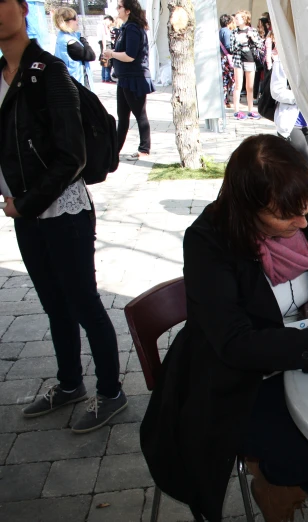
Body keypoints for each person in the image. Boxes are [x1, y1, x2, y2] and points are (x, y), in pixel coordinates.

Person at [140, 135, 308, 522]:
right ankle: (276, 491)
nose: (302, 222)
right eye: (287, 218)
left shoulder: (295, 207)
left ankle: (280, 485)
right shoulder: (207, 242)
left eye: (304, 210)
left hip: (293, 359)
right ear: (248, 209)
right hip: (231, 384)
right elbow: (235, 344)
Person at [0, 0, 126, 433]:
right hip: (25, 211)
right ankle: (70, 383)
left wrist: (27, 202)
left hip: (62, 210)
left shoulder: (49, 73)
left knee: (84, 302)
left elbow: (71, 155)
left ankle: (111, 392)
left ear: (22, 9)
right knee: (54, 305)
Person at [103, 0, 154, 160]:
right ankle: (114, 150)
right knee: (122, 116)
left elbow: (130, 56)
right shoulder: (126, 28)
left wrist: (111, 54)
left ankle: (144, 149)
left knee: (140, 115)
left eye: (120, 7)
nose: (117, 10)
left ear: (128, 10)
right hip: (125, 78)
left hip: (135, 79)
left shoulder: (132, 29)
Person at [271, 58, 308, 168]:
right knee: (306, 168)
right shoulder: (282, 61)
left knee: (305, 165)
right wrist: (302, 98)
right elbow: (277, 91)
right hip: (291, 123)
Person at [52, 7, 95, 89]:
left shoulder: (62, 36)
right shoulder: (70, 42)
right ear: (67, 22)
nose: (77, 21)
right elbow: (91, 55)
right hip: (77, 84)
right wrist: (84, 41)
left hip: (69, 82)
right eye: (75, 18)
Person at [230, 10, 262, 120]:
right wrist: (240, 42)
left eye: (238, 18)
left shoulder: (252, 31)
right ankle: (236, 111)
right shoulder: (234, 32)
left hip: (250, 59)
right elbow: (231, 48)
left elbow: (259, 45)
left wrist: (252, 37)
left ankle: (250, 110)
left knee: (250, 86)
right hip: (238, 60)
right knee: (238, 85)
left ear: (244, 19)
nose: (236, 20)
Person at [218, 14, 235, 108]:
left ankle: (224, 99)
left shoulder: (220, 31)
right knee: (231, 79)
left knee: (224, 80)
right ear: (229, 22)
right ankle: (230, 99)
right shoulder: (227, 32)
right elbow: (228, 46)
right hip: (228, 59)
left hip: (223, 58)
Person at [98, 15, 115, 84]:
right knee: (108, 60)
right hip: (106, 44)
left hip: (103, 43)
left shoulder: (100, 25)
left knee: (104, 60)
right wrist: (105, 48)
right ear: (109, 20)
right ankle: (107, 78)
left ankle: (104, 77)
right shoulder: (103, 26)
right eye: (110, 22)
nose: (110, 24)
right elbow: (104, 37)